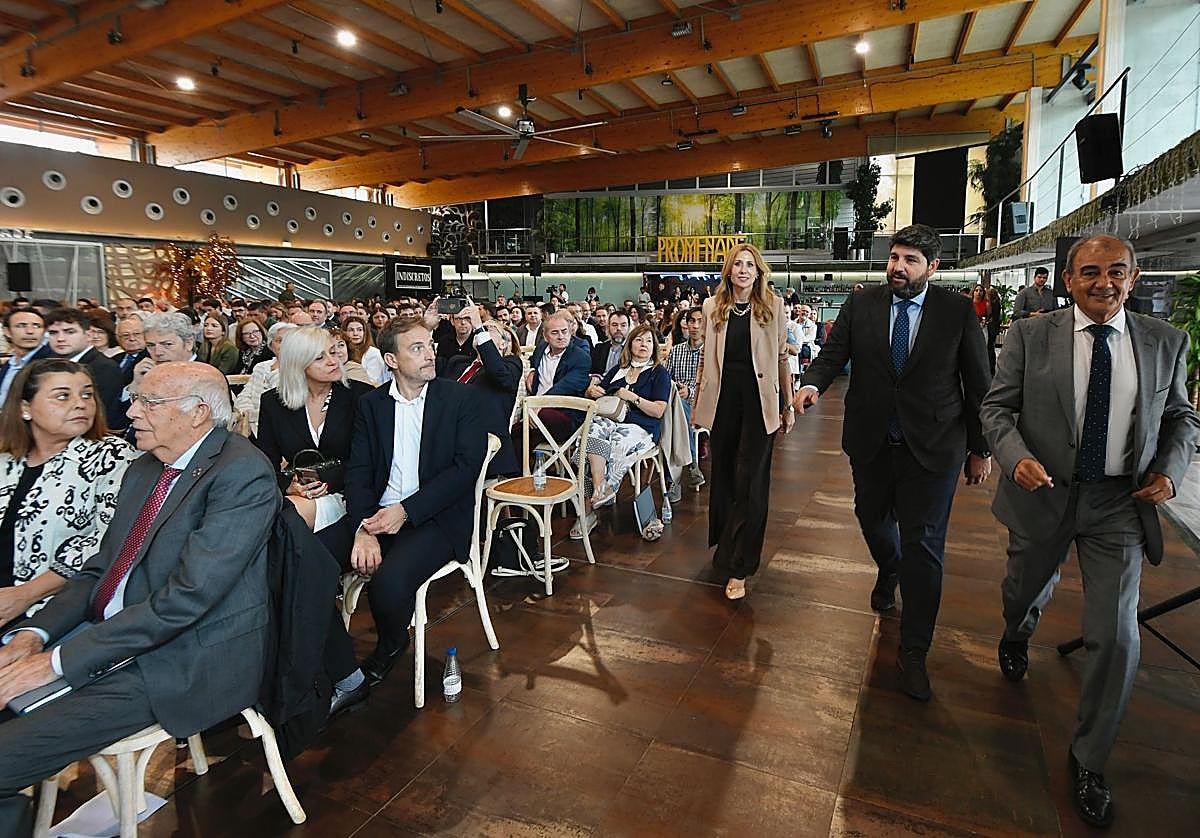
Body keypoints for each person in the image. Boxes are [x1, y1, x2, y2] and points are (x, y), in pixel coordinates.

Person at [0, 362, 280, 838]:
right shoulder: (146, 465)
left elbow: (185, 602)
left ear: (197, 414)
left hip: (179, 658)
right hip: (111, 635)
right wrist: (34, 634)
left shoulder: (242, 472)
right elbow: (99, 571)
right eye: (136, 400)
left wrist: (57, 662)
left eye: (149, 402)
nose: (131, 412)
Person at [980, 235, 1200, 829]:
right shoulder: (1031, 335)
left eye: (1116, 271)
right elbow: (996, 409)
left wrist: (1172, 473)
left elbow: (1181, 415)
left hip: (1118, 504)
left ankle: (1089, 758)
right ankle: (1016, 632)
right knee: (1023, 588)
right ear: (1069, 279)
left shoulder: (1164, 342)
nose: (1104, 282)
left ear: (1134, 276)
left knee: (1118, 634)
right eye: (1090, 272)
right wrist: (1014, 456)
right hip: (1042, 491)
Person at [795, 224, 992, 701]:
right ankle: (890, 566)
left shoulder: (957, 312)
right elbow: (832, 353)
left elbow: (978, 382)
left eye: (910, 260)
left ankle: (914, 650)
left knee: (926, 544)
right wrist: (813, 384)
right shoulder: (862, 304)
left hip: (936, 445)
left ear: (933, 267)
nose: (898, 267)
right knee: (871, 517)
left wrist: (980, 449)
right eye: (895, 257)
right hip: (873, 440)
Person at [343, 317, 485, 686]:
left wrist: (406, 511)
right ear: (391, 360)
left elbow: (464, 470)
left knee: (387, 584)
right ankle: (328, 661)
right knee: (307, 559)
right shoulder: (371, 405)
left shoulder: (460, 398)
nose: (430, 354)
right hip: (376, 515)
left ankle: (390, 646)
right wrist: (363, 528)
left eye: (430, 346)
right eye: (417, 348)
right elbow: (357, 471)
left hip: (435, 518)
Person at [0, 360, 140, 632]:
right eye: (63, 396)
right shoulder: (7, 461)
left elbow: (106, 542)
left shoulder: (110, 455)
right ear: (25, 408)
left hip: (46, 608)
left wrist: (24, 595)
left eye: (87, 394)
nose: (80, 404)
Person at [693, 244, 794, 602]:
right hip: (721, 404)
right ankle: (726, 545)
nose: (744, 269)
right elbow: (706, 359)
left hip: (759, 404)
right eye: (738, 263)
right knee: (723, 477)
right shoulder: (712, 307)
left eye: (750, 264)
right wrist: (698, 403)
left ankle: (741, 565)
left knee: (751, 482)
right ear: (729, 270)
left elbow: (783, 358)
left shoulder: (772, 306)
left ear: (759, 270)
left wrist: (788, 405)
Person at [255, 327, 373, 551]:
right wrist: (288, 486)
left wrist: (324, 482)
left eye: (333, 351)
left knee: (283, 520)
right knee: (270, 516)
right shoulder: (273, 402)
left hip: (349, 491)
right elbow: (266, 461)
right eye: (320, 357)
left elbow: (369, 461)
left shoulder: (361, 396)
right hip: (298, 493)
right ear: (297, 363)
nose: (333, 361)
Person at [576, 324, 672, 538]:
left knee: (618, 441)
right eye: (638, 340)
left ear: (654, 346)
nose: (643, 344)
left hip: (642, 426)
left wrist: (633, 398)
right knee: (591, 432)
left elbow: (658, 411)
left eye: (648, 341)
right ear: (630, 344)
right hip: (611, 421)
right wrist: (592, 390)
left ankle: (601, 495)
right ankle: (599, 487)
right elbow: (599, 393)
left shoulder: (659, 373)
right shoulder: (619, 369)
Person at [443, 306, 521, 479]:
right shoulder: (458, 363)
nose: (482, 331)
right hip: (447, 434)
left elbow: (500, 374)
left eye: (489, 330)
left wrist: (478, 327)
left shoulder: (511, 365)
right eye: (481, 329)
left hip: (481, 442)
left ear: (503, 343)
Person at [519, 313, 592, 453]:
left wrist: (538, 406)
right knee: (520, 432)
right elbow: (533, 361)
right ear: (546, 337)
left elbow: (564, 387)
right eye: (555, 332)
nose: (561, 336)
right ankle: (517, 472)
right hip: (535, 413)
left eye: (564, 331)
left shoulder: (580, 357)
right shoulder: (541, 348)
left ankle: (525, 470)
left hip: (565, 414)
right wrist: (532, 371)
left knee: (526, 429)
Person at [44, 308, 125, 432]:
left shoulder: (104, 368)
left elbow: (98, 414)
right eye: (53, 333)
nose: (60, 338)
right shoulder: (46, 363)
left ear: (88, 335)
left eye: (69, 332)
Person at [665, 306, 706, 490]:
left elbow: (712, 384)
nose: (695, 326)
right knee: (675, 409)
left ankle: (672, 481)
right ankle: (690, 463)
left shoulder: (712, 351)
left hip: (700, 402)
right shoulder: (676, 351)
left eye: (700, 321)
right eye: (692, 321)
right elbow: (667, 378)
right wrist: (676, 389)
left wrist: (690, 391)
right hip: (675, 400)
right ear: (686, 324)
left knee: (676, 412)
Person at [234, 322, 297, 437]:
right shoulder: (261, 367)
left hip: (280, 429)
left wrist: (251, 416)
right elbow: (244, 396)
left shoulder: (299, 371)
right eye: (279, 341)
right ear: (271, 344)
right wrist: (246, 415)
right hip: (250, 427)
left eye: (290, 341)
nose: (285, 345)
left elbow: (282, 409)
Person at [0, 309, 50, 405]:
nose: (30, 331)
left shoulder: (49, 363)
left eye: (37, 326)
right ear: (7, 331)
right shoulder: (9, 364)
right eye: (21, 326)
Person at [341, 316, 386, 384]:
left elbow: (373, 382)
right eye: (351, 330)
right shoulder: (343, 352)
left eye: (359, 330)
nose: (355, 333)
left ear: (365, 332)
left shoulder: (373, 353)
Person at [591, 309, 629, 376]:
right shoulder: (599, 348)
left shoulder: (632, 349)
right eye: (614, 325)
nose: (619, 328)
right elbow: (593, 371)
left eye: (623, 325)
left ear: (628, 328)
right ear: (608, 327)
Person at [112, 314, 147, 385]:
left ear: (145, 335)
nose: (132, 339)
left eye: (137, 334)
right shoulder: (114, 359)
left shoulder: (151, 358)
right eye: (126, 335)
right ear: (118, 338)